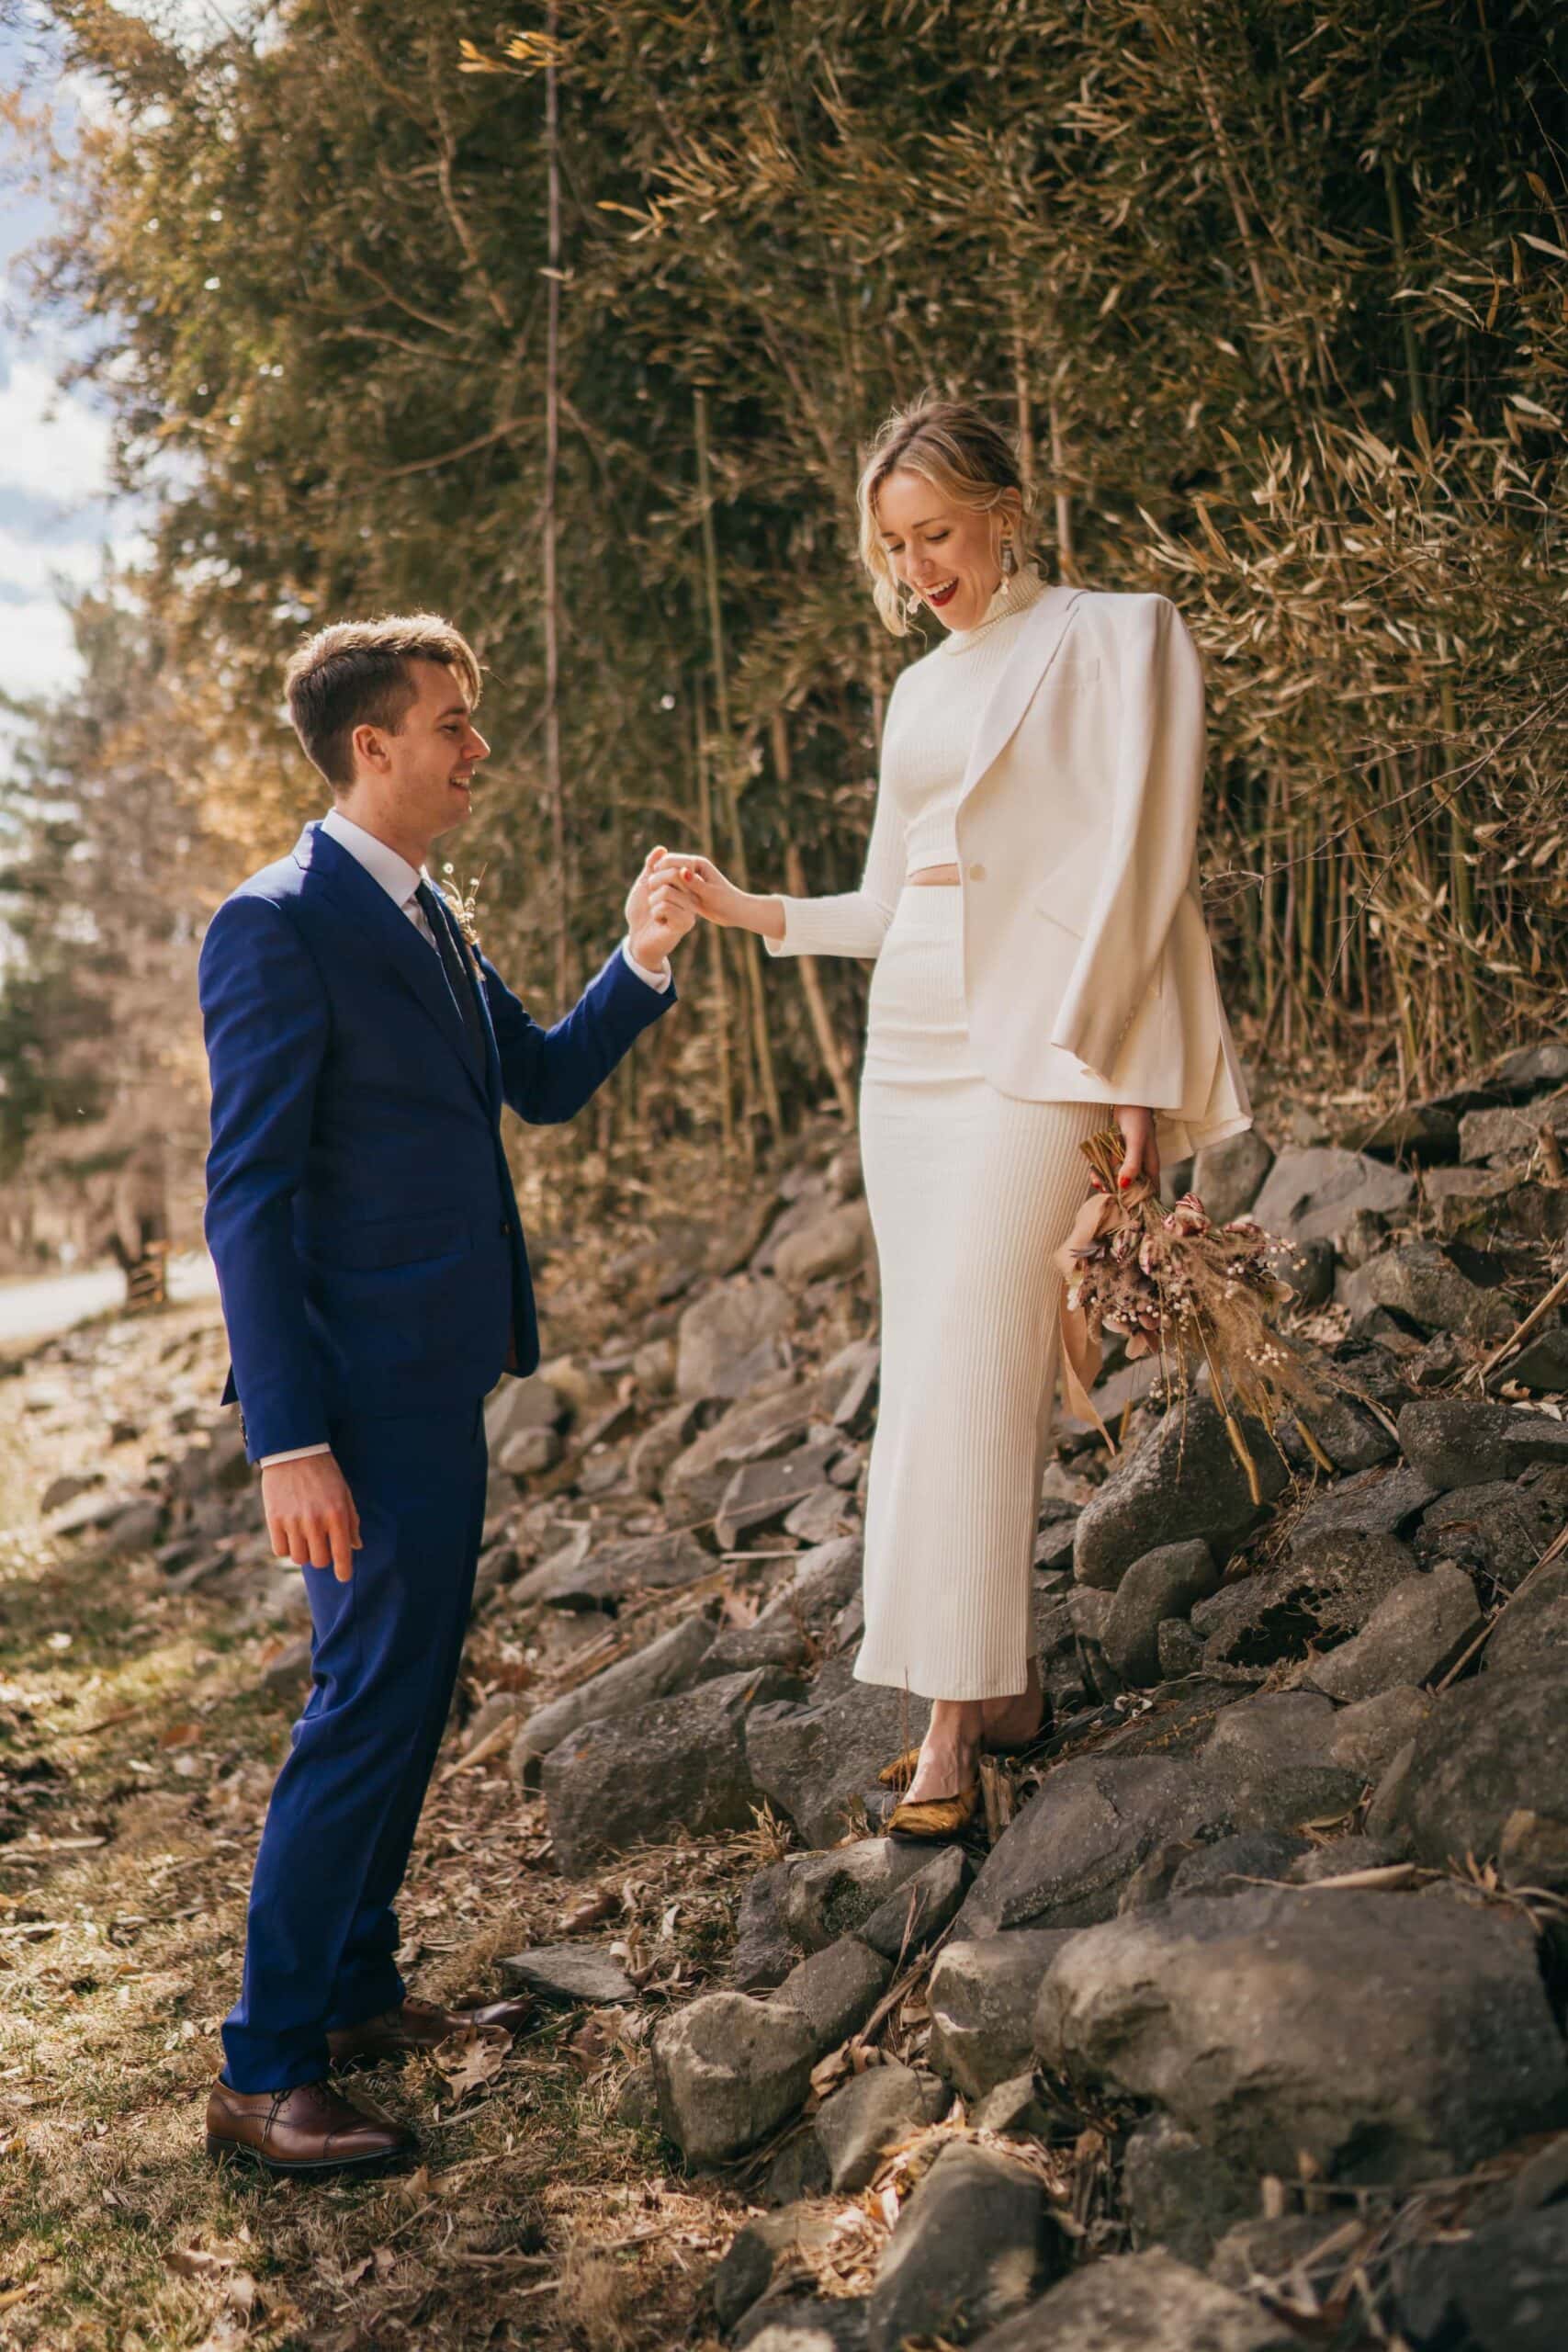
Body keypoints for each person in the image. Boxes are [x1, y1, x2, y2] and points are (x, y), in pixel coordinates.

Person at [651, 395, 1252, 1837]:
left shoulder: (1122, 634)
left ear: (1002, 508)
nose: (919, 567)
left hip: (1050, 1047)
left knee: (970, 1372)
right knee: (934, 1357)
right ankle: (1010, 1681)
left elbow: (1143, 868)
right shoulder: (918, 691)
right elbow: (892, 893)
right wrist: (753, 911)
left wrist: (1128, 1085)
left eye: (937, 533)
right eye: (894, 545)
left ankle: (948, 1726)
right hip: (908, 1048)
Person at [198, 615, 690, 2172]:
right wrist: (288, 1436)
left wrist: (646, 956)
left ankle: (352, 1993)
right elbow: (248, 1197)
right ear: (374, 747)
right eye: (453, 723)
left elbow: (535, 1079)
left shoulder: (428, 915)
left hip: (440, 1377)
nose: (478, 748)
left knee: (406, 1695)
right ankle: (265, 2071)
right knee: (362, 1708)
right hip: (348, 1404)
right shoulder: (273, 923)